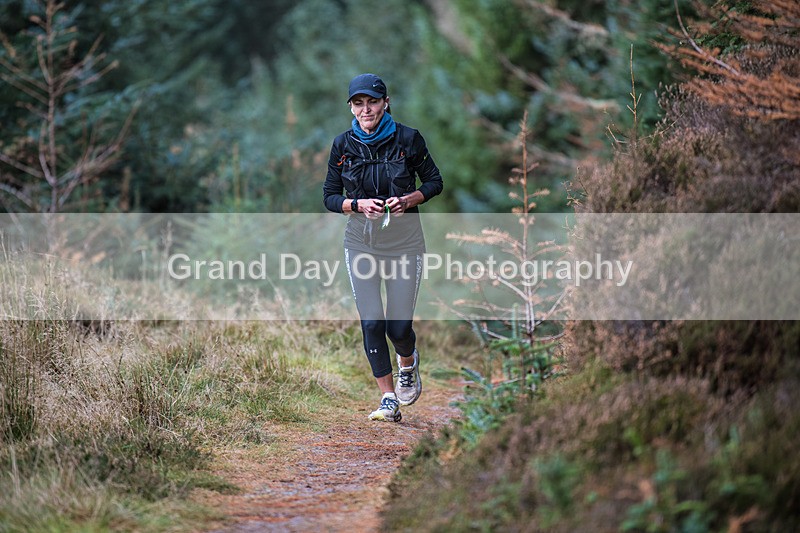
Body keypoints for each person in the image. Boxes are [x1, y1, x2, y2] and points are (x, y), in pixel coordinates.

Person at [323, 73, 443, 422]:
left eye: (372, 102)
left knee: (398, 328)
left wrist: (410, 199)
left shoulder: (408, 139)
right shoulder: (342, 145)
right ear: (351, 107)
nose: (366, 109)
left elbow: (435, 181)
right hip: (361, 242)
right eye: (358, 104)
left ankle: (408, 362)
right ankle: (388, 397)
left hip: (406, 244)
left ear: (385, 102)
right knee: (372, 321)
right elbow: (329, 196)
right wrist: (357, 205)